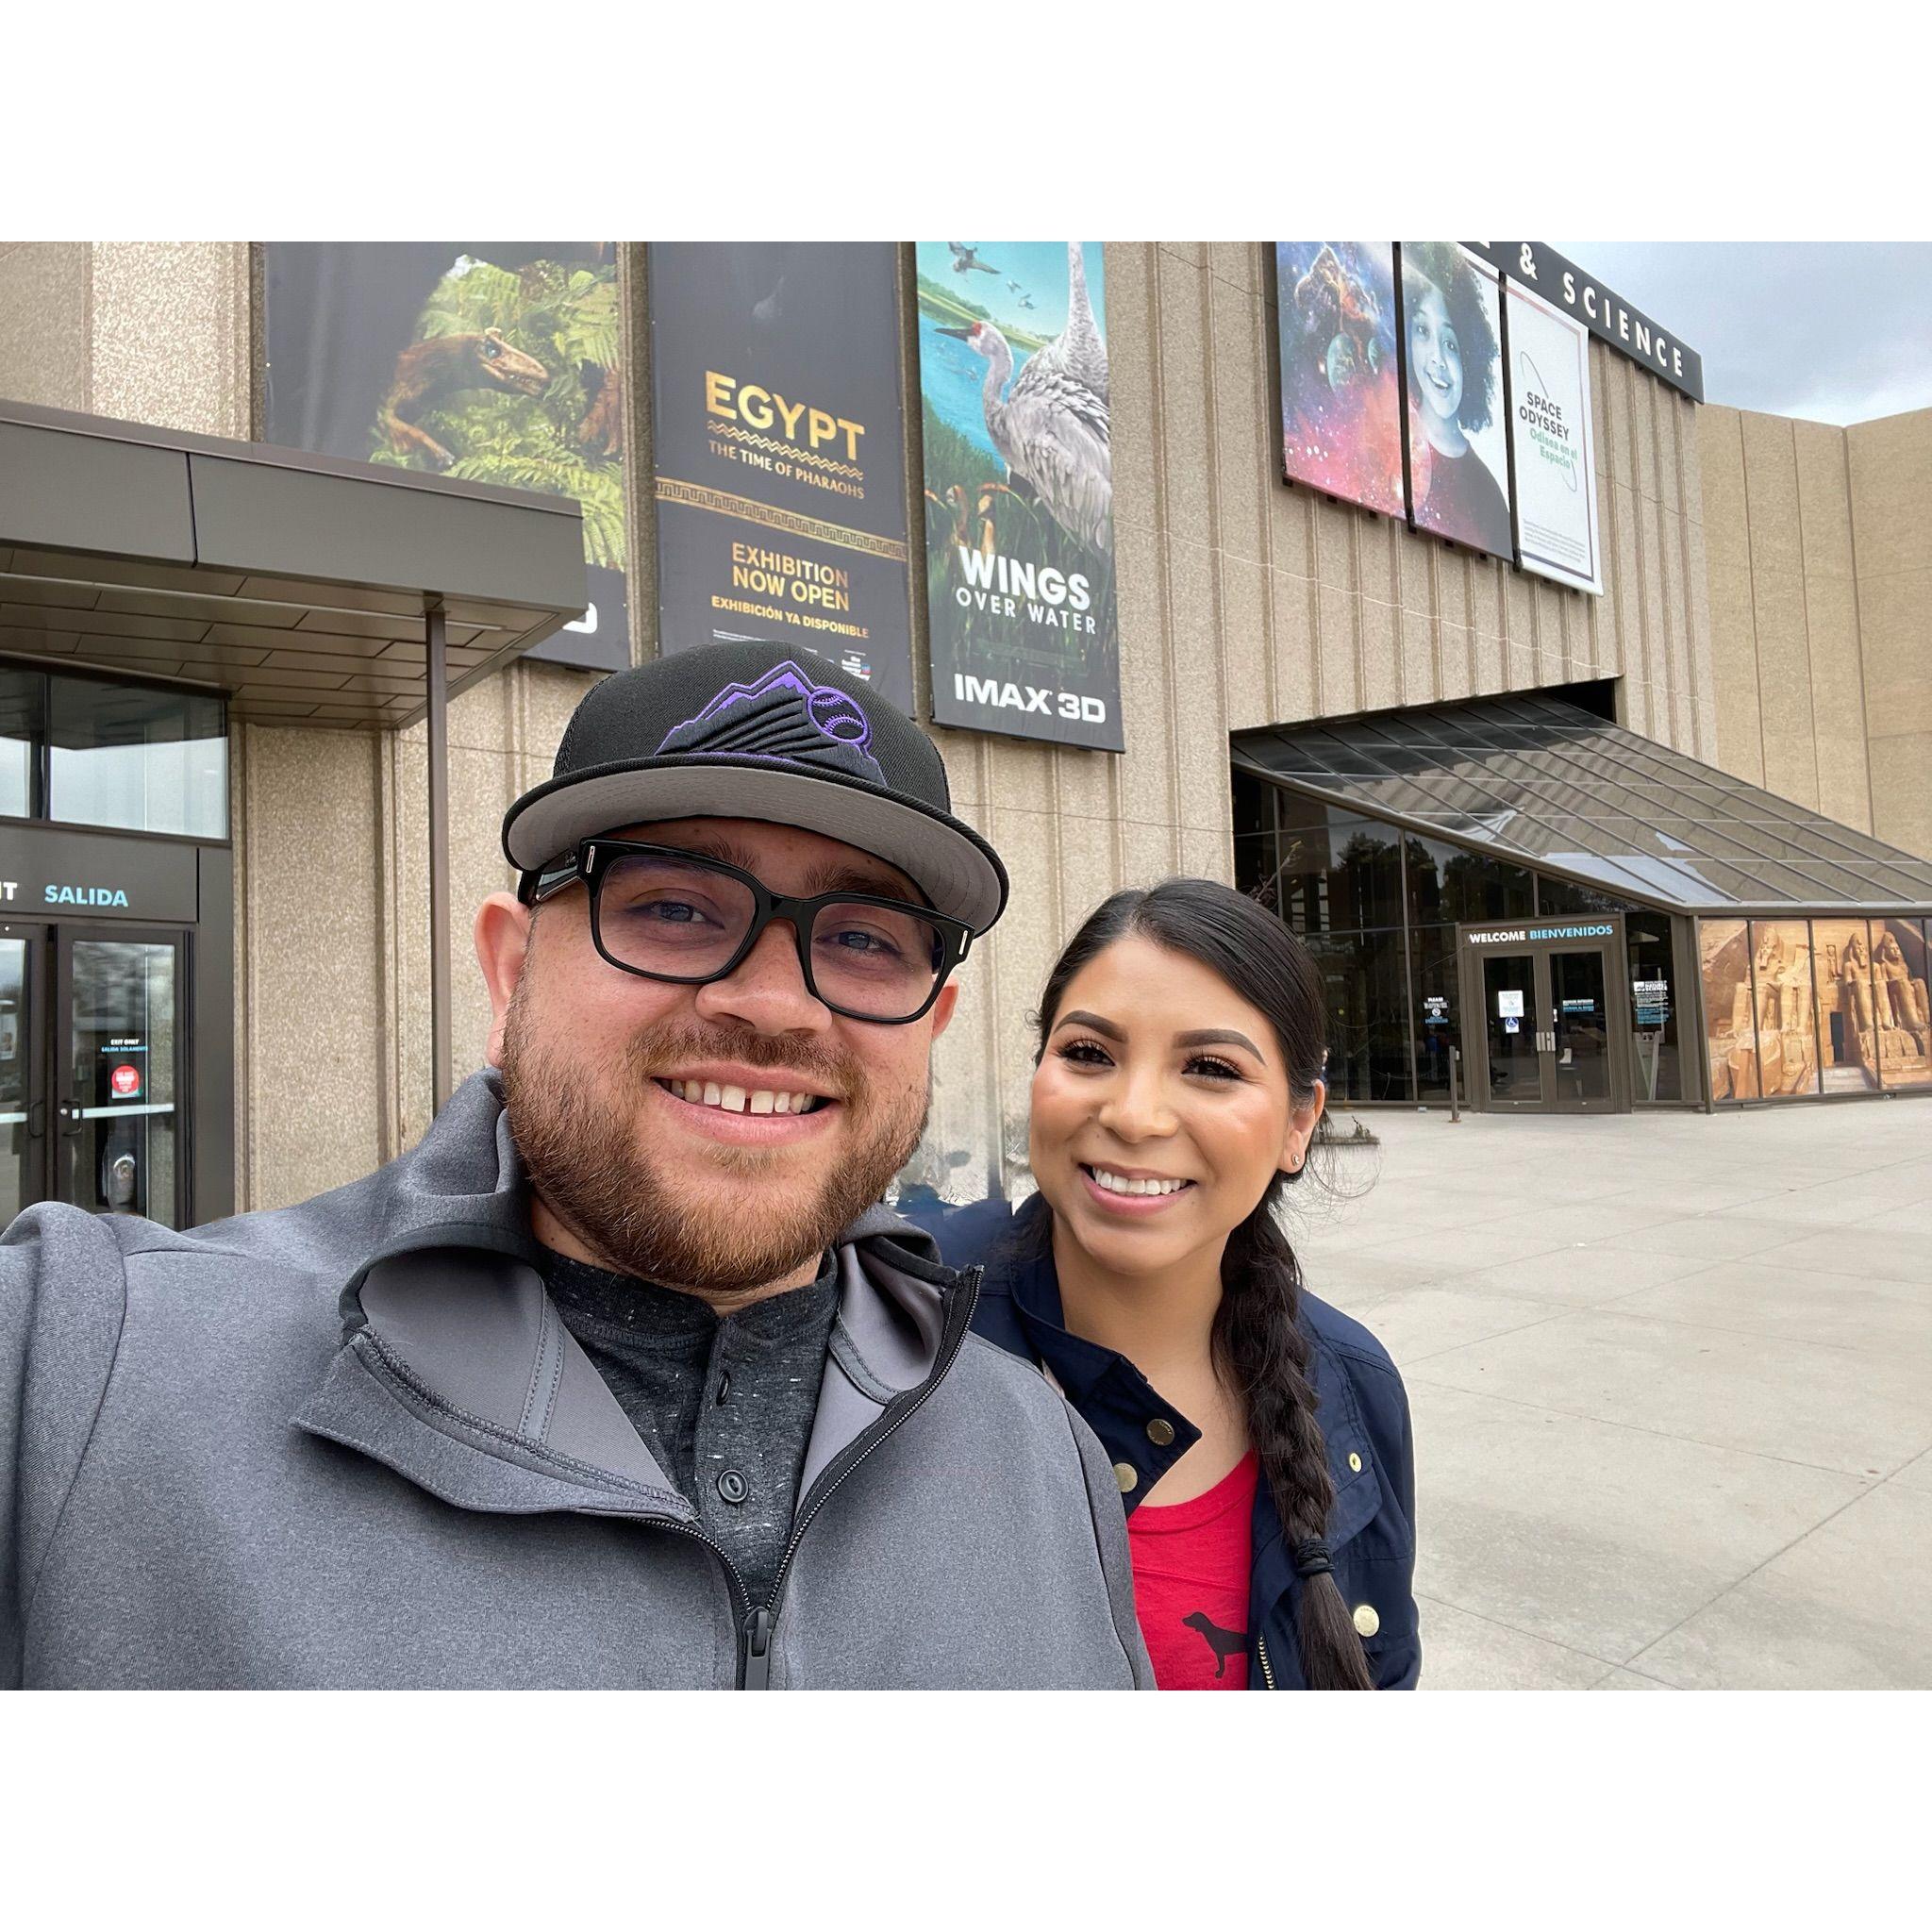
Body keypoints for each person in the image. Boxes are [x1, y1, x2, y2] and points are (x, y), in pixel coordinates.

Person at [0, 642, 1152, 1690]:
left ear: (929, 1024)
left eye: (860, 937)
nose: (771, 1002)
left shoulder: (1038, 1456)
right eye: (675, 906)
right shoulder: (83, 1363)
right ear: (509, 974)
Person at [906, 879, 1418, 1690]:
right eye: (1088, 1054)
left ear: (1298, 1125)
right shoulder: (898, 1321)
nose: (1135, 1115)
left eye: (1210, 1068)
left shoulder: (1355, 1386)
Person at [1403, 241, 1511, 559]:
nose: (1437, 357)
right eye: (1422, 330)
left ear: (1470, 358)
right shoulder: (1386, 439)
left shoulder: (1489, 497)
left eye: (1450, 343)